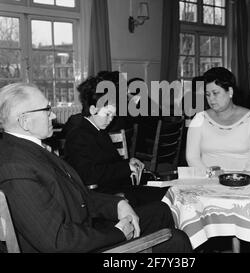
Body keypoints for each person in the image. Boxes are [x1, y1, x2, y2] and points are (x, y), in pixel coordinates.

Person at [0, 82, 192, 253]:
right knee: (176, 240)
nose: (53, 115)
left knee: (161, 211)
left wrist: (116, 204)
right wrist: (118, 233)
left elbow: (75, 195)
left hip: (82, 226)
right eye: (47, 109)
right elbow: (58, 241)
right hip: (77, 241)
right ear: (24, 121)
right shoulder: (16, 168)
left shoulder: (30, 150)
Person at [64, 76, 168, 207]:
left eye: (113, 115)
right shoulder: (79, 135)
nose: (110, 120)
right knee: (162, 201)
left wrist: (128, 162)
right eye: (107, 114)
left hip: (113, 189)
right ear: (92, 109)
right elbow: (88, 175)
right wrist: (125, 167)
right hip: (102, 197)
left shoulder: (98, 130)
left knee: (165, 193)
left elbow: (108, 163)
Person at [186, 67, 250, 174]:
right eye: (207, 94)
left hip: (244, 182)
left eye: (215, 93)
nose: (211, 99)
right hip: (208, 183)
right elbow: (192, 157)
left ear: (230, 91)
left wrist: (237, 178)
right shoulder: (199, 119)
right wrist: (211, 177)